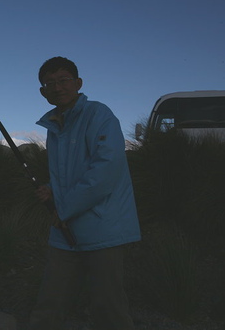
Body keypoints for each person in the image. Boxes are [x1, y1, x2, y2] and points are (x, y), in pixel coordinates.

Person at [29, 57, 141, 330]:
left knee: (109, 305)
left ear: (78, 83)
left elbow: (105, 171)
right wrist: (52, 189)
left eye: (63, 80)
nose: (57, 87)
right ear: (43, 92)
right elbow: (67, 172)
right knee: (49, 302)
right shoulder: (55, 126)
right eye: (49, 83)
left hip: (104, 228)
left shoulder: (99, 114)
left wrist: (62, 208)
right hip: (65, 229)